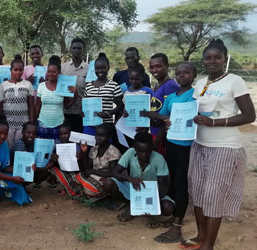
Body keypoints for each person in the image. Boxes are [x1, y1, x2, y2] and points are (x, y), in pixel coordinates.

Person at [180, 39, 255, 250]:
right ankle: (200, 236)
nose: (212, 61)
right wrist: (177, 120)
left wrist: (214, 122)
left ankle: (208, 245)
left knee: (213, 196)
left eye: (217, 57)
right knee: (197, 193)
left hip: (224, 147)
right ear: (203, 60)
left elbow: (249, 115)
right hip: (199, 144)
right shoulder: (200, 83)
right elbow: (192, 111)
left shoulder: (234, 81)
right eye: (208, 58)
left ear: (224, 59)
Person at [141, 62, 197, 244]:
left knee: (181, 183)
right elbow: (162, 115)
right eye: (179, 73)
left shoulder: (196, 96)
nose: (182, 76)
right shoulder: (172, 97)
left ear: (193, 75)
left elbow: (200, 116)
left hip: (187, 146)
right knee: (171, 179)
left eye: (186, 73)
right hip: (171, 143)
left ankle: (177, 227)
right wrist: (147, 113)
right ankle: (171, 214)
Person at [103, 132, 174, 228]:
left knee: (168, 207)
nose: (144, 154)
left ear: (152, 148)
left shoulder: (159, 159)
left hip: (153, 193)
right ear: (135, 148)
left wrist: (150, 204)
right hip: (134, 189)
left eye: (147, 151)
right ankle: (132, 207)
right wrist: (129, 178)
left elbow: (163, 188)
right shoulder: (130, 152)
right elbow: (115, 173)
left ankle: (151, 213)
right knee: (108, 183)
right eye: (140, 151)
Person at [52, 124, 121, 200]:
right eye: (97, 135)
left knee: (80, 179)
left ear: (109, 137)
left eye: (102, 136)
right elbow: (87, 167)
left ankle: (89, 191)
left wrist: (92, 171)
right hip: (92, 177)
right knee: (77, 175)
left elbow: (113, 173)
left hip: (104, 179)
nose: (98, 138)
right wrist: (84, 152)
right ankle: (86, 189)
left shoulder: (113, 152)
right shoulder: (94, 149)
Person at [0, 54, 35, 148]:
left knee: (20, 148)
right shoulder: (3, 85)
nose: (18, 72)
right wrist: (2, 123)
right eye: (15, 70)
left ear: (23, 70)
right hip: (8, 124)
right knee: (7, 147)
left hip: (23, 124)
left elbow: (31, 105)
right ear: (11, 70)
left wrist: (31, 123)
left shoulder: (27, 84)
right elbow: (0, 106)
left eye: (20, 70)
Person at [36, 55, 77, 140]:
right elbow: (37, 106)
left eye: (54, 72)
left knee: (56, 150)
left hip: (58, 125)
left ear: (59, 72)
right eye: (49, 71)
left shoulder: (63, 87)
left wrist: (75, 94)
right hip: (43, 124)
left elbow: (67, 106)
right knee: (43, 149)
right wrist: (34, 121)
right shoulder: (41, 86)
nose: (51, 74)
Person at [83, 52, 124, 136]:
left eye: (103, 68)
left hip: (105, 126)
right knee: (88, 148)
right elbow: (85, 105)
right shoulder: (88, 86)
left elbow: (121, 106)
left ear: (108, 68)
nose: (100, 71)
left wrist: (108, 113)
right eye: (97, 68)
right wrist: (83, 112)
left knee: (104, 148)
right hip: (89, 125)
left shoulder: (114, 85)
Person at [146, 53, 179, 154]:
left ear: (167, 66)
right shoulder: (157, 84)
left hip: (162, 135)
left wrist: (157, 140)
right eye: (151, 67)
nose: (154, 70)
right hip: (155, 132)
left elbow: (170, 115)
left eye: (158, 66)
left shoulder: (170, 85)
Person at [62, 38, 88, 133]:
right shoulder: (63, 68)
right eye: (74, 48)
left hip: (81, 112)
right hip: (65, 111)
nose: (76, 51)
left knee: (79, 138)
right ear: (70, 50)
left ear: (83, 50)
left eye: (79, 48)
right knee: (66, 138)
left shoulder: (88, 69)